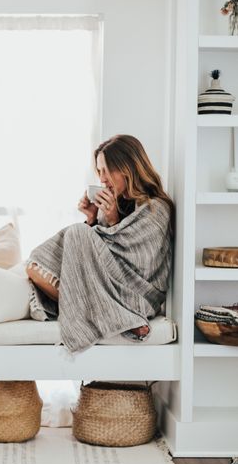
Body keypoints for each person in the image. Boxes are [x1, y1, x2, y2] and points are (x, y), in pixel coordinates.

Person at [26, 134, 174, 351]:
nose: (102, 179)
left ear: (128, 168)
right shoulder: (120, 204)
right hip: (107, 290)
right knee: (35, 267)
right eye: (99, 171)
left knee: (77, 233)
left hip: (135, 296)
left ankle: (117, 315)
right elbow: (101, 253)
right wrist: (93, 218)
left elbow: (136, 262)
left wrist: (110, 219)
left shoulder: (157, 209)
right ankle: (103, 313)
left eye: (106, 170)